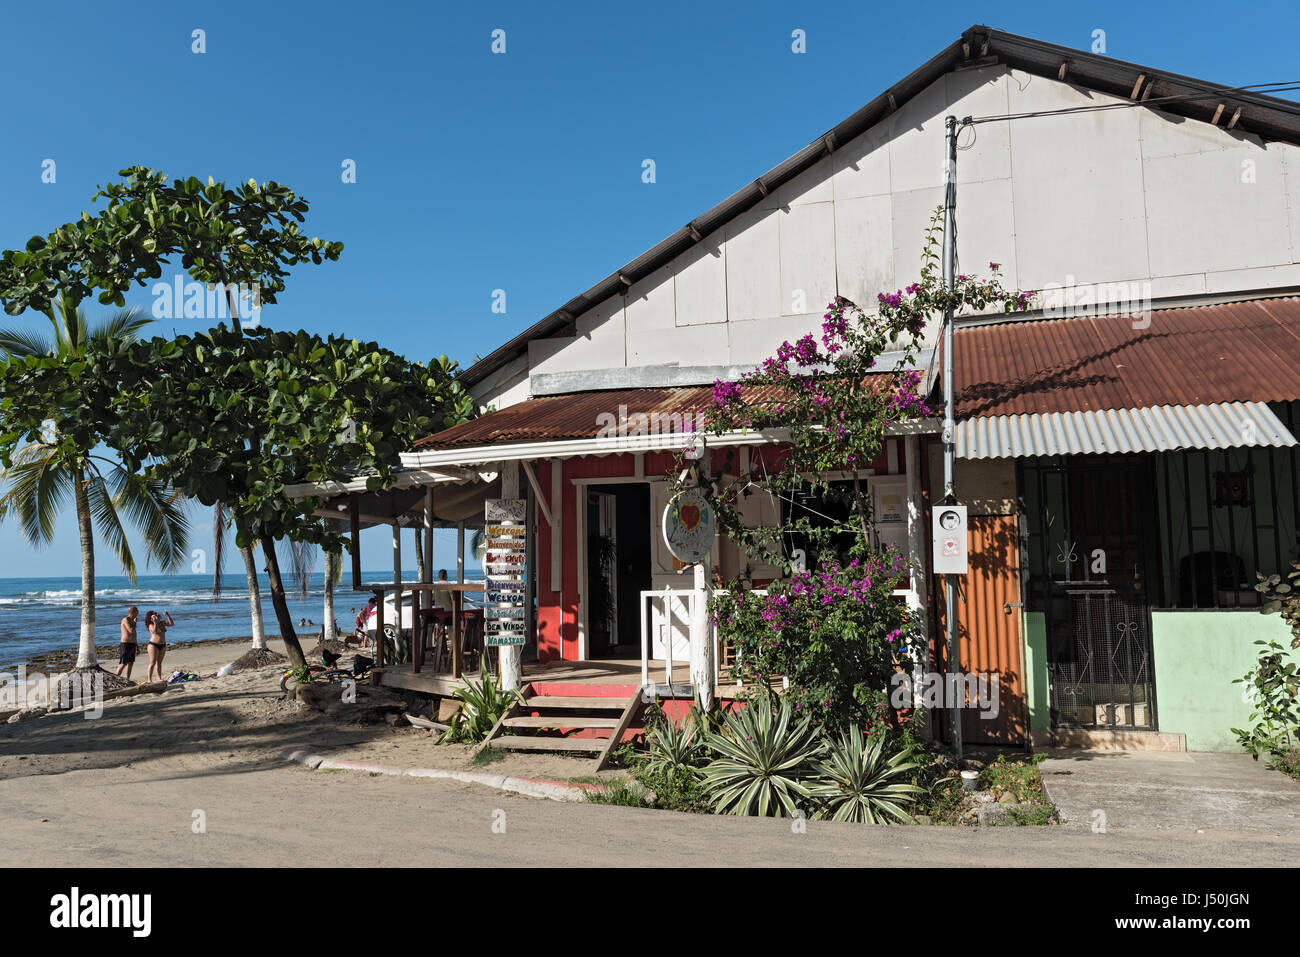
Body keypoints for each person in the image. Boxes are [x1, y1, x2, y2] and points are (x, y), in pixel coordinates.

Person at [144, 610, 175, 683]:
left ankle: (159, 678)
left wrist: (167, 615)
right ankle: (149, 679)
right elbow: (154, 632)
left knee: (159, 663)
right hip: (153, 645)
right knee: (152, 663)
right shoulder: (150, 625)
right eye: (155, 614)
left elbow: (171, 624)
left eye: (157, 613)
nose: (157, 614)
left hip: (162, 645)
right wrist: (155, 622)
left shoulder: (162, 623)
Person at [115, 606, 139, 681]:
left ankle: (127, 679)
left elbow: (134, 634)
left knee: (130, 663)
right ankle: (115, 679)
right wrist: (135, 623)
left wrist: (137, 646)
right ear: (132, 612)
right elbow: (131, 631)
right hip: (125, 644)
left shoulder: (132, 620)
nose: (137, 613)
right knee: (123, 663)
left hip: (132, 644)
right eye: (136, 611)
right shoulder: (126, 620)